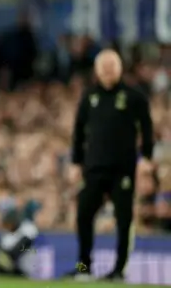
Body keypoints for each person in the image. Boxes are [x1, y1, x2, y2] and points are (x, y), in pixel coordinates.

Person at [69, 49, 154, 281]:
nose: (107, 71)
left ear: (119, 68)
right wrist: (76, 162)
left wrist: (146, 157)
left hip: (123, 170)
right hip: (94, 168)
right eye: (103, 66)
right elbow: (78, 132)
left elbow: (147, 128)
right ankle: (83, 268)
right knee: (83, 215)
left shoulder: (134, 96)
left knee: (124, 220)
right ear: (96, 70)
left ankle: (119, 270)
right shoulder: (89, 97)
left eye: (111, 66)